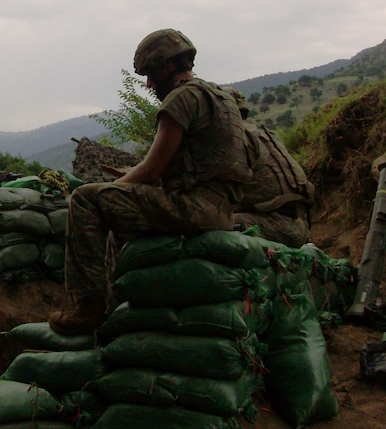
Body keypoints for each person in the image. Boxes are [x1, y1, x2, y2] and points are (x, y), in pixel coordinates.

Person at [48, 29, 254, 336]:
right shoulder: (220, 97)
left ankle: (88, 309)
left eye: (149, 74)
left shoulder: (181, 98)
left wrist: (122, 184)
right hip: (221, 209)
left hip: (194, 209)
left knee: (85, 200)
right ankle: (121, 300)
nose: (148, 84)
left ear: (166, 66)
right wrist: (134, 179)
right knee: (126, 216)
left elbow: (150, 172)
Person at [224, 87, 314, 248]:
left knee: (207, 226)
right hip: (300, 223)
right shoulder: (267, 135)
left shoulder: (236, 139)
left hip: (275, 224)